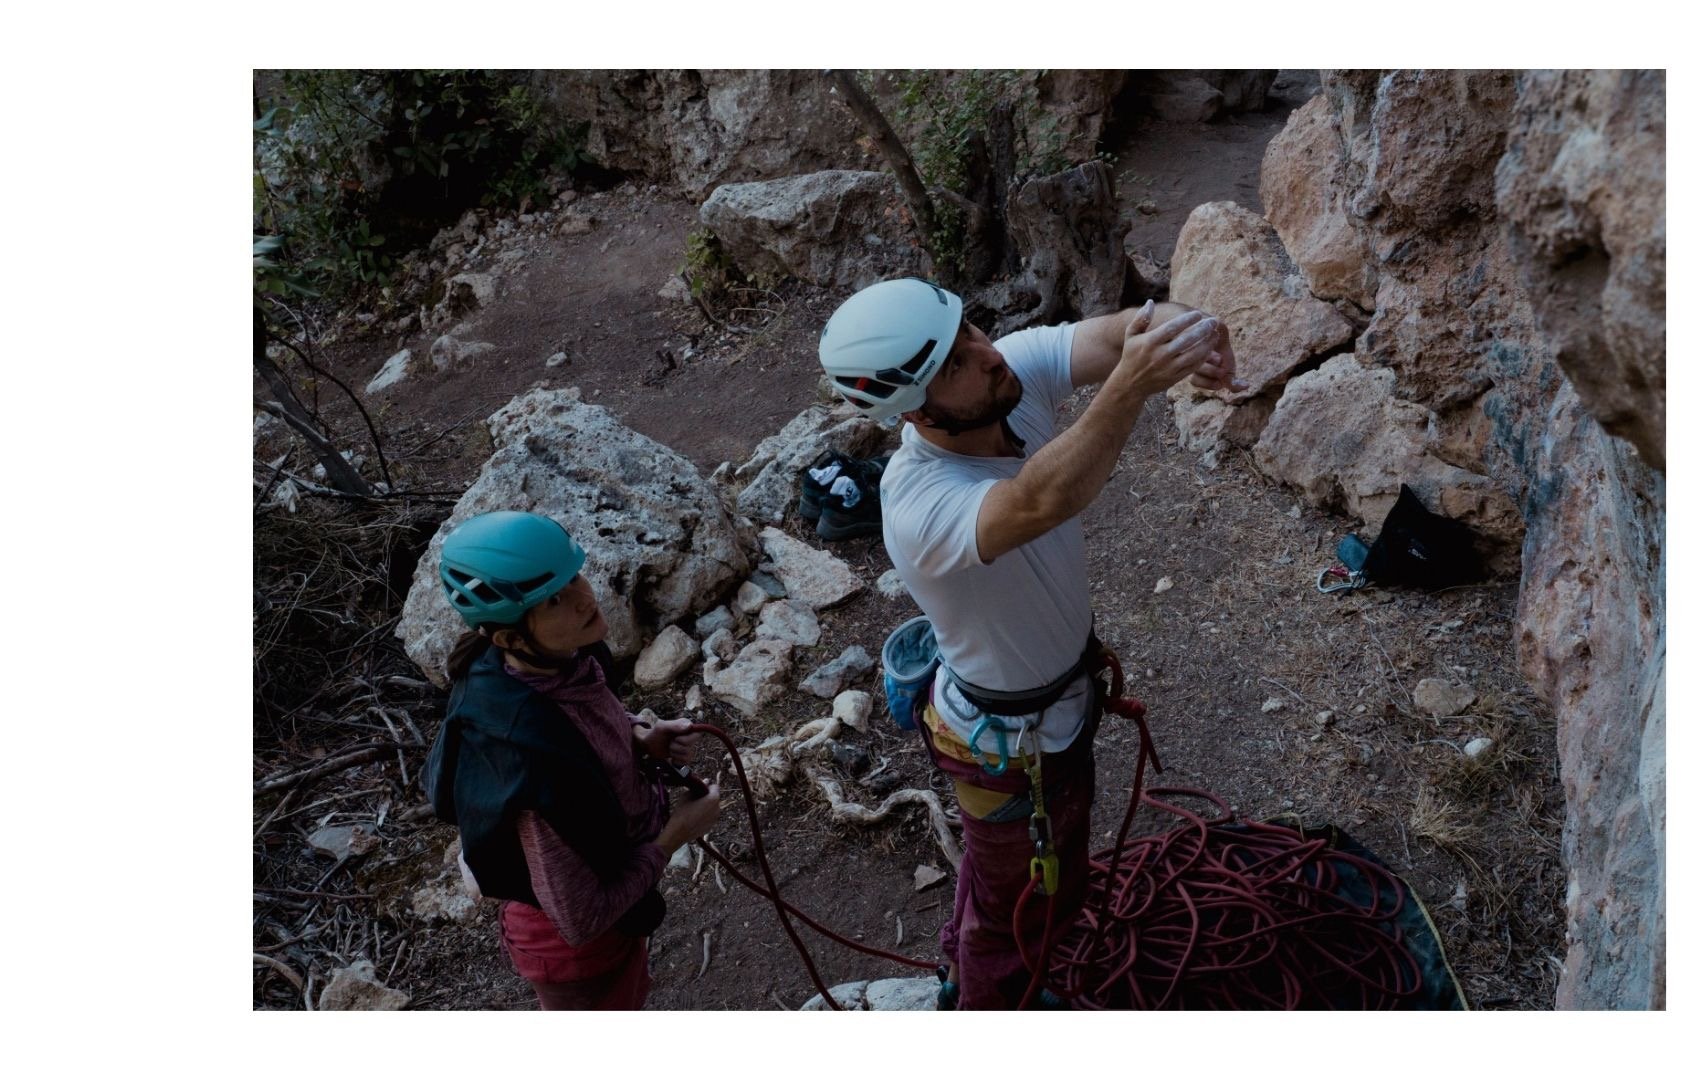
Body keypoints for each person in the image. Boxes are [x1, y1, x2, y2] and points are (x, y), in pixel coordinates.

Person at [818, 278, 1241, 1008]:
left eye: (973, 331)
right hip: (1011, 744)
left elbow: (1113, 335)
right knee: (1026, 911)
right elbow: (1040, 498)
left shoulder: (1002, 378)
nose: (984, 354)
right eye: (954, 363)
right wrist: (1132, 387)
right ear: (915, 410)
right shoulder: (919, 503)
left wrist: (1187, 329)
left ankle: (965, 976)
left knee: (1007, 886)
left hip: (1041, 714)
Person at [423, 510, 724, 1010]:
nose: (585, 597)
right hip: (576, 956)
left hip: (613, 903)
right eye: (554, 600)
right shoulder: (526, 763)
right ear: (510, 637)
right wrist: (676, 834)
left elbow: (581, 717)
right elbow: (580, 920)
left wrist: (638, 737)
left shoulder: (561, 658)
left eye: (573, 578)